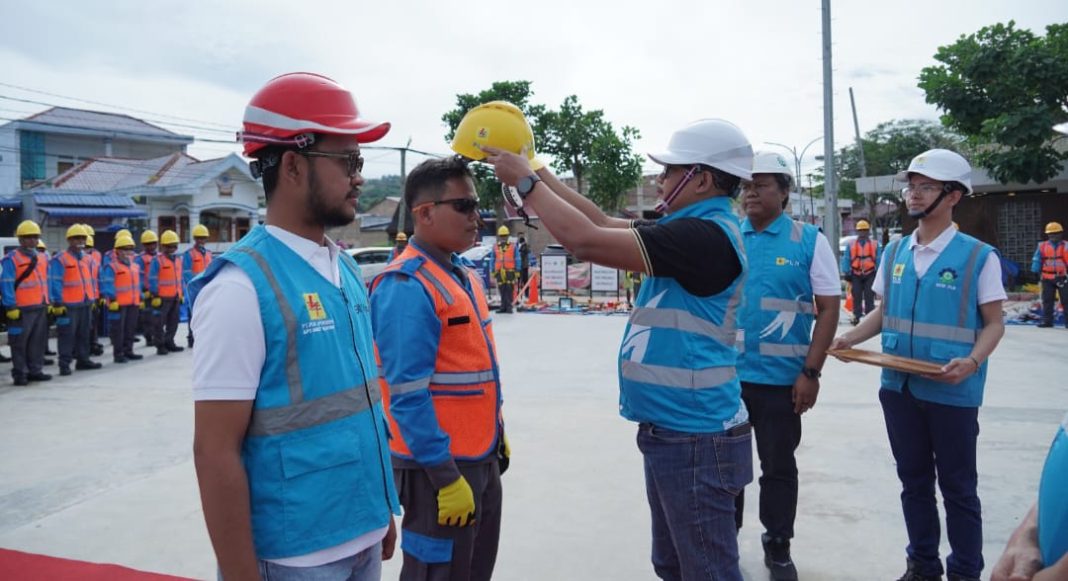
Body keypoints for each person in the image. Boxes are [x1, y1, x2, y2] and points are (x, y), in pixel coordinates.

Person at [482, 114, 755, 580]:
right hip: (680, 429)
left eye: (670, 170)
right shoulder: (693, 228)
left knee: (706, 571)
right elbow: (600, 220)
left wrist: (526, 184)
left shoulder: (701, 237)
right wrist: (538, 170)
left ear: (703, 179)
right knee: (675, 565)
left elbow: (584, 240)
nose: (661, 178)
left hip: (695, 434)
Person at [189, 72, 399, 580]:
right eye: (347, 161)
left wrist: (380, 507)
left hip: (361, 529)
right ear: (292, 166)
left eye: (360, 162)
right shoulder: (240, 288)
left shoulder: (345, 268)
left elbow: (359, 402)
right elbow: (214, 451)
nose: (359, 177)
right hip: (294, 552)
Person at [829, 149, 1006, 581]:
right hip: (899, 388)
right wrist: (851, 338)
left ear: (953, 196)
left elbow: (995, 324)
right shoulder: (895, 252)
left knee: (959, 490)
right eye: (911, 185)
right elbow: (885, 312)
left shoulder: (979, 257)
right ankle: (922, 566)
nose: (913, 194)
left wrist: (973, 360)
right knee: (913, 482)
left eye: (925, 186)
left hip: (952, 390)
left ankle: (965, 571)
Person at [371, 156, 507, 581]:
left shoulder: (461, 274)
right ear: (424, 213)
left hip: (479, 458)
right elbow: (406, 396)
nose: (477, 217)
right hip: (438, 472)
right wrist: (446, 478)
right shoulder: (407, 287)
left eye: (477, 205)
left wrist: (497, 436)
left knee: (472, 571)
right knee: (438, 573)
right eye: (464, 206)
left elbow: (474, 371)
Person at [733, 151, 841, 579]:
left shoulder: (808, 241)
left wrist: (811, 373)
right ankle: (725, 539)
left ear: (784, 191)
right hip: (727, 380)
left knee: (778, 468)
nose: (751, 192)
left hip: (782, 383)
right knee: (728, 470)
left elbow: (829, 309)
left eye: (761, 184)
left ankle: (777, 543)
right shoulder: (728, 235)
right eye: (745, 185)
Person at [1, 220, 52, 386]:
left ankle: (35, 371)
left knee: (37, 342)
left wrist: (48, 301)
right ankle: (20, 374)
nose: (32, 240)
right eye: (28, 237)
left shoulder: (43, 258)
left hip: (39, 306)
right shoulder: (12, 259)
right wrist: (11, 306)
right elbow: (7, 282)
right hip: (20, 309)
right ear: (21, 239)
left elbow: (46, 281)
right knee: (19, 343)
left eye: (35, 237)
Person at [48, 224, 101, 376]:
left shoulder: (88, 259)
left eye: (82, 238)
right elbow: (55, 281)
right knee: (66, 335)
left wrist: (93, 298)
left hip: (85, 303)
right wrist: (57, 302)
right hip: (68, 305)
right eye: (76, 238)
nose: (80, 241)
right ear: (69, 240)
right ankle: (64, 364)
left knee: (84, 333)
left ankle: (83, 360)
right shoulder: (60, 259)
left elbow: (92, 280)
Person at [100, 233, 144, 363]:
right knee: (118, 330)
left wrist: (140, 297)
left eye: (130, 249)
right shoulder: (112, 267)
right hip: (118, 304)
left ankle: (129, 351)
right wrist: (112, 299)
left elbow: (138, 284)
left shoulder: (135, 267)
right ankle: (118, 354)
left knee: (130, 329)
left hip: (133, 303)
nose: (128, 252)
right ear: (117, 251)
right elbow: (107, 284)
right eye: (125, 249)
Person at [149, 230, 184, 355]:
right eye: (169, 246)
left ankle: (170, 342)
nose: (172, 248)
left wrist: (181, 293)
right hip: (162, 297)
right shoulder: (157, 260)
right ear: (163, 246)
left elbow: (180, 278)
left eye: (174, 245)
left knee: (174, 321)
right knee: (159, 323)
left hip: (175, 296)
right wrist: (155, 294)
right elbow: (152, 278)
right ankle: (160, 345)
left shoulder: (178, 260)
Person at [841, 220, 879, 326]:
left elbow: (879, 259)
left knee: (869, 296)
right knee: (856, 295)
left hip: (870, 273)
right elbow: (846, 258)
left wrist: (879, 273)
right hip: (856, 274)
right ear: (857, 232)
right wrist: (846, 272)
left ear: (868, 231)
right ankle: (856, 316)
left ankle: (869, 319)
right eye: (860, 230)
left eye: (864, 230)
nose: (862, 233)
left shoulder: (874, 244)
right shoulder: (851, 245)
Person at [1030, 222, 1067, 328]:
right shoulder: (1042, 246)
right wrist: (1035, 272)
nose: (1053, 236)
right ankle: (1047, 321)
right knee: (1047, 300)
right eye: (1051, 234)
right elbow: (1037, 259)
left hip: (1062, 277)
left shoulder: (1066, 246)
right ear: (1047, 235)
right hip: (1047, 277)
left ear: (1061, 234)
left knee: (1066, 300)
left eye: (1056, 233)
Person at [182, 224, 213, 348]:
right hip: (195, 290)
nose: (202, 240)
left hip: (207, 289)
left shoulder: (209, 254)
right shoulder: (189, 254)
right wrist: (198, 285)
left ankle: (204, 338)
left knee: (206, 314)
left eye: (204, 238)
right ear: (195, 239)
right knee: (193, 315)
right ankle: (192, 339)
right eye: (199, 238)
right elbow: (187, 273)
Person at [83, 226, 106, 356]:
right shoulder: (76, 258)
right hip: (81, 297)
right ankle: (83, 346)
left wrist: (101, 294)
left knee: (94, 322)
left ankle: (93, 343)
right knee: (84, 324)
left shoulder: (97, 255)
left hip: (94, 295)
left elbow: (99, 275)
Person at [137, 230, 159, 346]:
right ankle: (149, 337)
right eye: (148, 244)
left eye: (153, 243)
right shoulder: (140, 259)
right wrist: (141, 293)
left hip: (158, 292)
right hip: (146, 292)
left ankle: (157, 336)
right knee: (147, 317)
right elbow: (138, 277)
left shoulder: (160, 257)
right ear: (144, 245)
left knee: (158, 317)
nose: (151, 246)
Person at [491, 225, 518, 313]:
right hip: (499, 271)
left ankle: (509, 307)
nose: (503, 238)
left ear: (507, 236)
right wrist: (492, 270)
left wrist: (517, 271)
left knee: (509, 289)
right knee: (502, 289)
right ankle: (503, 307)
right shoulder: (495, 247)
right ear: (499, 236)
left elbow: (517, 259)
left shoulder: (513, 246)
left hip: (510, 271)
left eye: (505, 236)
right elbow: (492, 259)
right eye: (502, 236)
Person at [517, 234, 530, 300]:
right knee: (522, 281)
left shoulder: (524, 247)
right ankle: (522, 294)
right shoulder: (522, 247)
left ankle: (525, 294)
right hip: (523, 266)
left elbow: (522, 255)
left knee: (524, 280)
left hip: (523, 267)